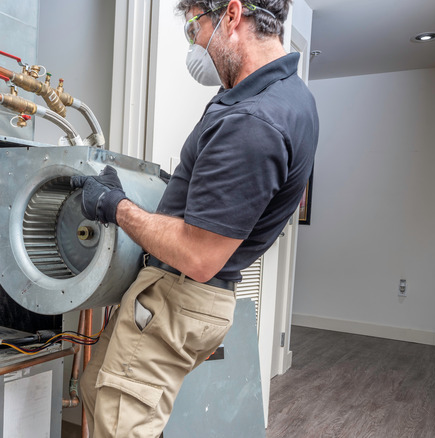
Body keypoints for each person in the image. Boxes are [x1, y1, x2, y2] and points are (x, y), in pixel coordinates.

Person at [72, 0, 319, 436]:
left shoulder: (254, 120)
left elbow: (198, 254)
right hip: (187, 298)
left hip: (181, 294)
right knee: (97, 387)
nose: (196, 44)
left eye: (194, 28)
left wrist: (114, 205)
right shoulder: (286, 95)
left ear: (231, 14)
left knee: (122, 423)